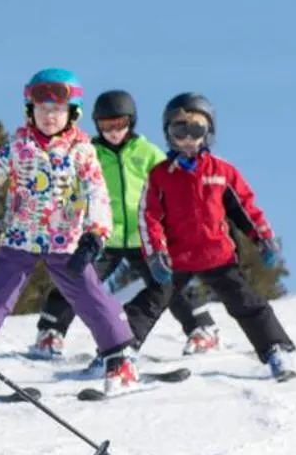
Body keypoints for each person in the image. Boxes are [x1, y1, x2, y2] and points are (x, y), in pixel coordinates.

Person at [0, 69, 143, 397]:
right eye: (42, 110)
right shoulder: (18, 148)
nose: (49, 117)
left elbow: (97, 195)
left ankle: (119, 356)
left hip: (66, 241)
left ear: (72, 114)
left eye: (57, 111)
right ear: (29, 112)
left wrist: (96, 234)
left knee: (90, 295)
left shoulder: (82, 152)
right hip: (20, 237)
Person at [30, 89, 220, 361]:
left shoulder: (146, 153)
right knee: (76, 277)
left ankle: (202, 327)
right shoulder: (89, 152)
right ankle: (50, 331)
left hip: (143, 236)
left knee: (167, 280)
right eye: (106, 126)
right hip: (104, 236)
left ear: (131, 121)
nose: (114, 132)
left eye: (119, 124)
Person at [140, 93, 296, 381]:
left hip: (217, 256)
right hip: (178, 258)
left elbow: (246, 209)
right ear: (168, 134)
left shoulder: (222, 172)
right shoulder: (161, 176)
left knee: (246, 302)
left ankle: (275, 348)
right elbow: (149, 217)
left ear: (207, 133)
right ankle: (118, 353)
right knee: (149, 303)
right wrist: (155, 252)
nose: (188, 138)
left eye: (195, 130)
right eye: (180, 130)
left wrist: (263, 238)